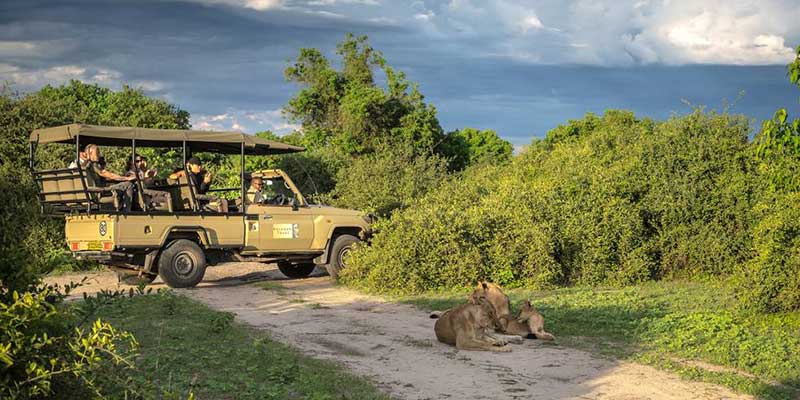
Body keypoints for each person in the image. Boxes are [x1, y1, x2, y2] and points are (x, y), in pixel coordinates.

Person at [85, 145, 136, 212]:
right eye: (97, 152)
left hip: (93, 191)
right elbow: (109, 175)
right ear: (90, 153)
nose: (99, 155)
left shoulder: (84, 165)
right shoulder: (93, 165)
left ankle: (121, 207)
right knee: (128, 185)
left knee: (120, 186)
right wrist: (127, 178)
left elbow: (102, 178)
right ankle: (127, 211)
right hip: (100, 191)